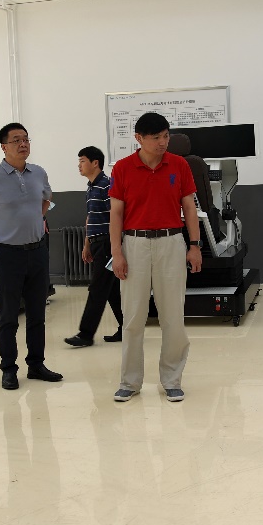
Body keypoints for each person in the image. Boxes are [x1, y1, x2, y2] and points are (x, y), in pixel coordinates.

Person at [109, 111, 202, 403]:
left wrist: (195, 245)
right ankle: (129, 382)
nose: (163, 142)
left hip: (171, 242)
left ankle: (172, 379)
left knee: (172, 315)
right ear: (138, 138)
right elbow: (116, 214)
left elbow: (189, 207)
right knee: (133, 317)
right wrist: (117, 253)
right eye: (156, 138)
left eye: (165, 136)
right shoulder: (123, 168)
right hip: (134, 244)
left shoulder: (179, 165)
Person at [0, 122, 62, 391]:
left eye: (26, 139)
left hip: (38, 251)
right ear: (3, 147)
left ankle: (36, 364)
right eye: (16, 140)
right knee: (8, 316)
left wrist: (38, 217)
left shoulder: (38, 172)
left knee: (37, 314)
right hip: (8, 254)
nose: (23, 144)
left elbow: (47, 197)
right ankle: (8, 369)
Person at [65, 145, 123, 347]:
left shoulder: (107, 185)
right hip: (97, 243)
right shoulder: (91, 187)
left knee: (98, 288)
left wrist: (116, 247)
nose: (79, 165)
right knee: (111, 289)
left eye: (82, 161)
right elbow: (90, 218)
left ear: (95, 163)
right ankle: (127, 328)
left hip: (107, 243)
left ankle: (86, 334)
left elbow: (116, 216)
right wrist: (86, 244)